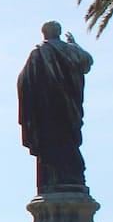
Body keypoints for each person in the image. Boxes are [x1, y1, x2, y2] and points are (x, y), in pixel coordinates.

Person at [17, 20, 93, 192]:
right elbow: (87, 61)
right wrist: (74, 44)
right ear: (58, 32)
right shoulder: (71, 50)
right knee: (66, 145)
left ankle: (57, 179)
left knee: (53, 148)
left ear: (44, 34)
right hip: (68, 110)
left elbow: (24, 82)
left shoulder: (39, 53)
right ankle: (68, 178)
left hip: (47, 112)